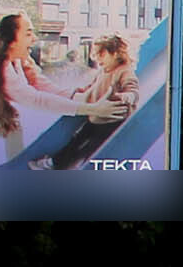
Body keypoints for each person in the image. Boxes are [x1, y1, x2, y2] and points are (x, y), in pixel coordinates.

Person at [0, 12, 128, 168]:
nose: (34, 39)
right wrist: (92, 109)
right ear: (11, 41)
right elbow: (36, 99)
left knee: (13, 126)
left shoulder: (19, 60)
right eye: (28, 33)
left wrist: (78, 97)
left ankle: (18, 175)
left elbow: (42, 85)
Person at [44, 34, 141, 170]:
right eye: (95, 54)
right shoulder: (102, 72)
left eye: (101, 54)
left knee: (94, 146)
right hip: (96, 116)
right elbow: (90, 87)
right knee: (77, 139)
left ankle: (77, 166)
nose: (97, 58)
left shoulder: (124, 71)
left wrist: (128, 96)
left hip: (112, 120)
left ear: (115, 53)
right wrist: (77, 92)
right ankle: (56, 163)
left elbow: (132, 88)